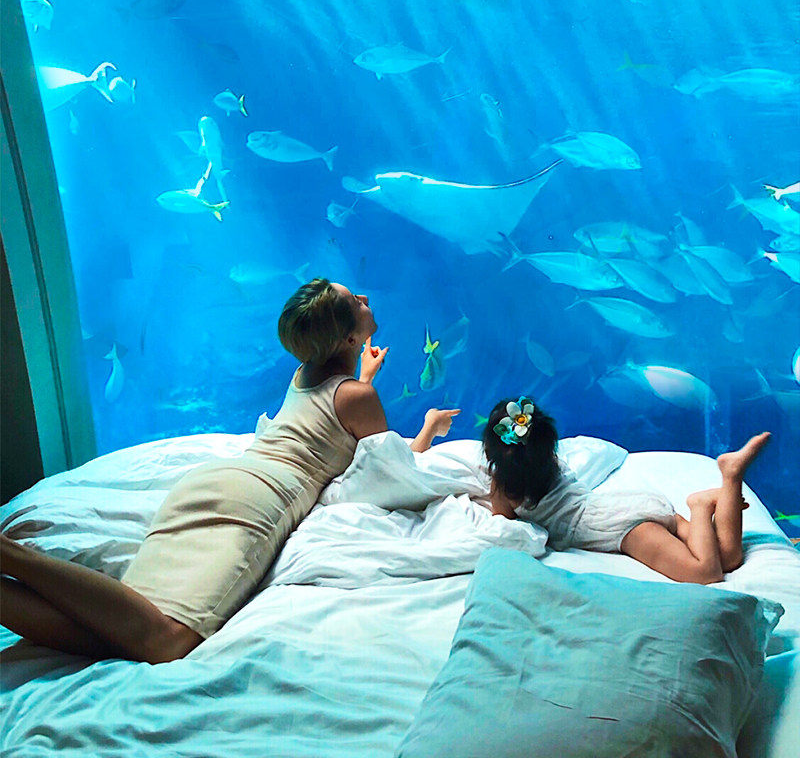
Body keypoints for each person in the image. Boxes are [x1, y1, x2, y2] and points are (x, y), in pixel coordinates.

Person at [0, 278, 459, 662]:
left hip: (215, 481)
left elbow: (332, 411)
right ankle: (10, 555)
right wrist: (428, 427)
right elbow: (389, 466)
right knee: (167, 639)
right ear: (349, 341)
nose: (364, 299)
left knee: (115, 628)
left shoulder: (303, 374)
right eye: (354, 302)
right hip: (258, 501)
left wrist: (364, 376)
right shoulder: (357, 397)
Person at [483, 395, 770, 584]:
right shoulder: (554, 463)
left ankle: (701, 505)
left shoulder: (504, 488)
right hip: (626, 505)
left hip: (620, 528)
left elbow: (505, 526)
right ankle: (730, 479)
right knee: (729, 559)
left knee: (705, 572)